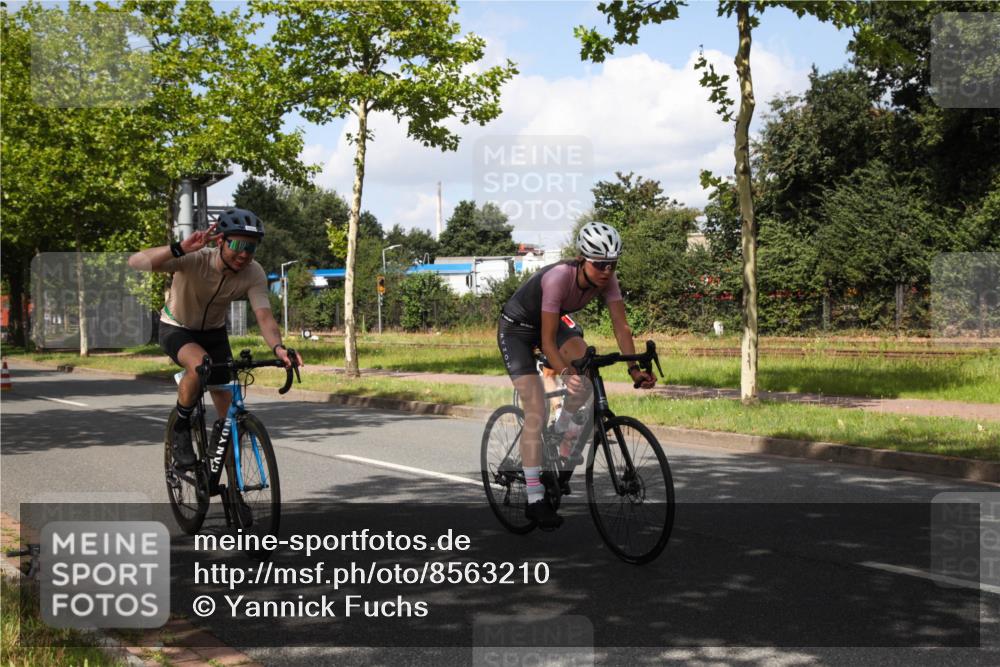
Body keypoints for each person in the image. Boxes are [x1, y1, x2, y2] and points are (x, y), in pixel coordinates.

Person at [497, 221, 656, 529]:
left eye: (612, 264)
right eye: (600, 264)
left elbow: (621, 327)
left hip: (555, 324)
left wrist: (634, 369)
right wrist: (566, 371)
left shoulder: (608, 280)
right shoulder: (559, 278)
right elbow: (545, 341)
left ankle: (559, 433)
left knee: (586, 373)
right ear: (584, 259)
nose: (607, 271)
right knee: (536, 408)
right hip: (517, 329)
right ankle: (534, 499)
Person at [127, 208, 301, 468]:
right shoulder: (194, 259)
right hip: (177, 327)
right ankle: (181, 429)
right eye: (238, 244)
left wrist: (278, 348)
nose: (244, 254)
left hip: (214, 333)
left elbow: (264, 317)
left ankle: (226, 477)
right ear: (220, 240)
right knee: (199, 365)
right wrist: (179, 248)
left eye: (251, 248)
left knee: (227, 409)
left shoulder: (253, 273)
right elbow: (136, 262)